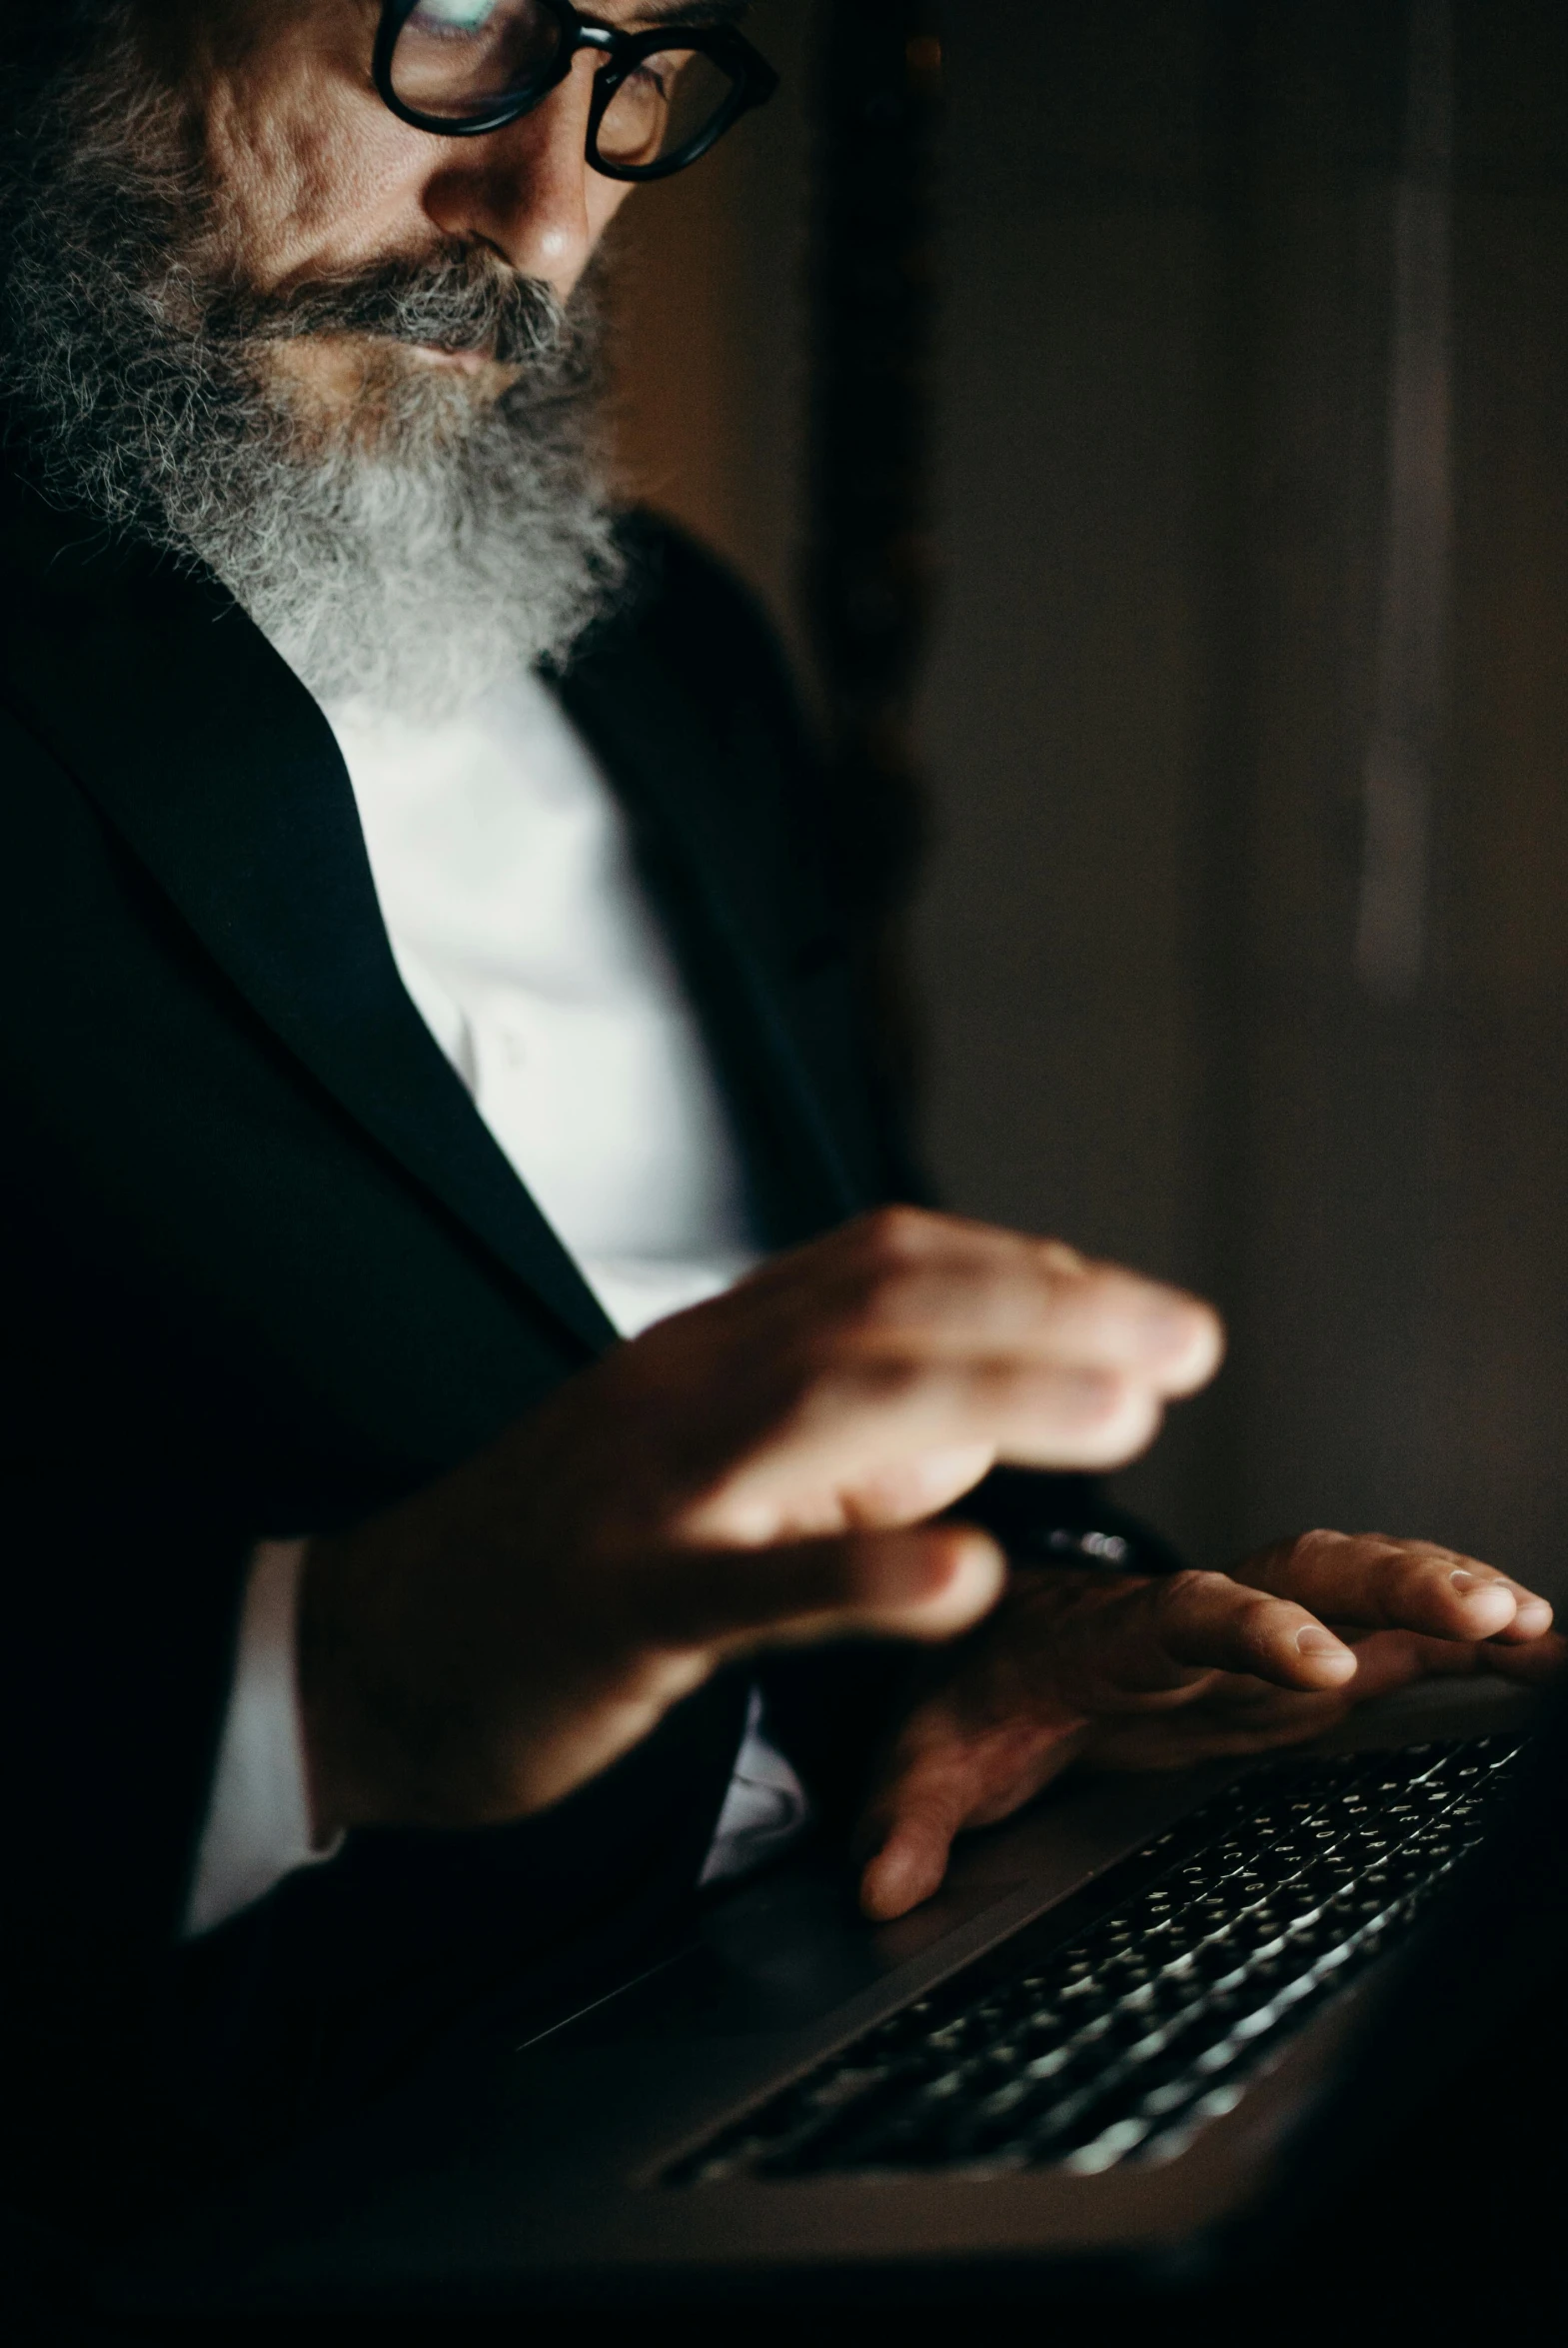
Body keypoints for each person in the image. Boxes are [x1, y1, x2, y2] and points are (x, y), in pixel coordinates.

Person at [0, 0, 1557, 2241]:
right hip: (270, 2161)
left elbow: (851, 1307)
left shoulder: (672, 660)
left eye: (637, 78)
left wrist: (1022, 1622)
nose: (544, 210)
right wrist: (331, 1681)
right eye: (463, 30)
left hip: (854, 1956)